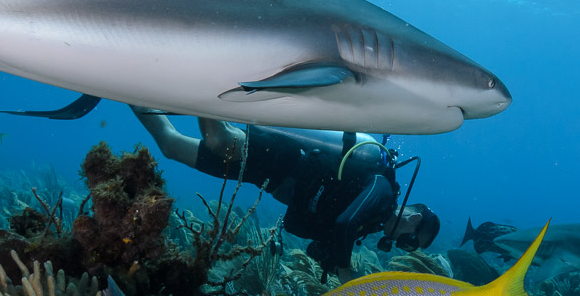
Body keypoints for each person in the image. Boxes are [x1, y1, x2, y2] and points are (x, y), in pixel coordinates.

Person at [131, 107, 440, 277]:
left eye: (410, 249)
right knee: (218, 140)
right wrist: (345, 270)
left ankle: (131, 89)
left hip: (269, 179)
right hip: (286, 157)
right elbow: (344, 223)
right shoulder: (383, 190)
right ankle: (201, 85)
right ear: (413, 217)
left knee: (171, 146)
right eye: (411, 241)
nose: (403, 246)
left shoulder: (368, 222)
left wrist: (328, 251)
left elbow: (298, 224)